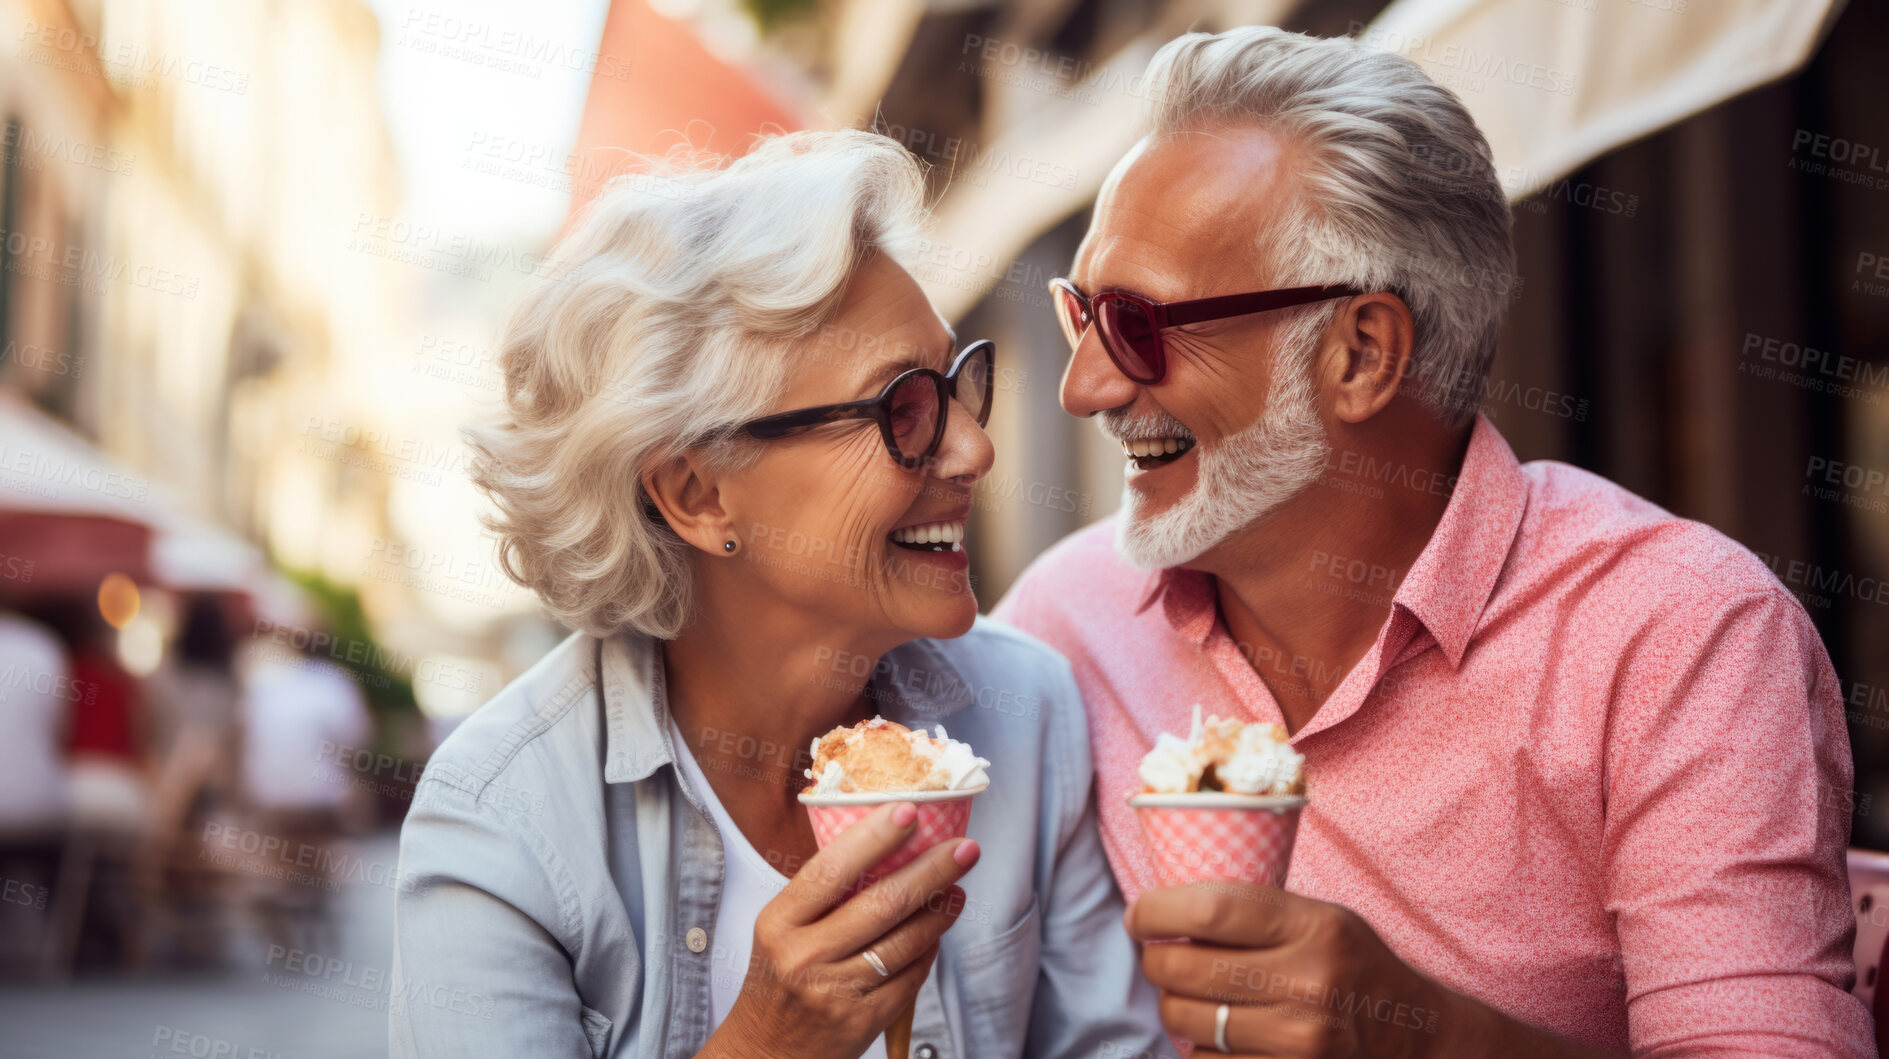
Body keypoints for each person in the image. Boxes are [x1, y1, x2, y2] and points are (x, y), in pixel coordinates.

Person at [993, 26, 1869, 1058]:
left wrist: (1426, 1037)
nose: (1082, 387)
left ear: (1360, 353)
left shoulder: (1678, 636)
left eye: (1137, 325)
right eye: (1079, 314)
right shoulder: (1064, 626)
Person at [391, 130, 1171, 1059]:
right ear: (696, 493)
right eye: (903, 408)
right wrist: (768, 1042)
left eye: (959, 386)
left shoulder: (1030, 715)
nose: (974, 449)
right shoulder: (503, 814)